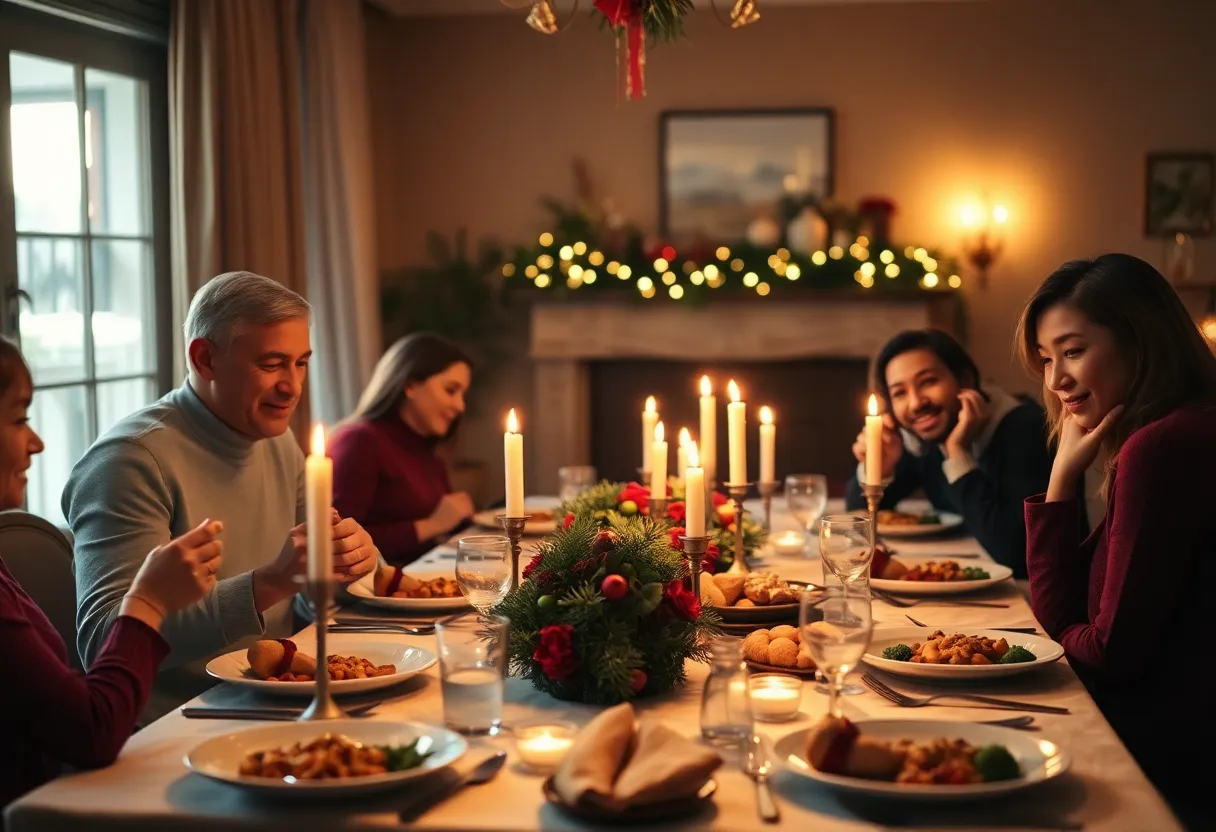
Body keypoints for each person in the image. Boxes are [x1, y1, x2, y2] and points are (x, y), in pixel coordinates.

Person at [63, 271, 380, 721]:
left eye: (301, 363)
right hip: (171, 724)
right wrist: (267, 583)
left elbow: (308, 595)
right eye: (272, 364)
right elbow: (104, 644)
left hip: (273, 699)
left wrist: (347, 565)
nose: (292, 386)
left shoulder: (276, 439)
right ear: (205, 358)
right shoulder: (130, 462)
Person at [1017, 253, 1216, 824]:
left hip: (1167, 764)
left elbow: (1102, 649)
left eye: (1073, 351)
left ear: (1139, 338)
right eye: (1047, 360)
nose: (1055, 382)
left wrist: (1059, 482)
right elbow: (1085, 611)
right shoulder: (1187, 426)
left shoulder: (1162, 448)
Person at [0, 337, 224, 810]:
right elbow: (93, 730)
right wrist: (147, 600)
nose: (37, 442)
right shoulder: (129, 460)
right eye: (20, 419)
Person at [845, 329, 1074, 577]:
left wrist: (957, 454)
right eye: (900, 393)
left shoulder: (1025, 429)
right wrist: (879, 468)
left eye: (928, 382)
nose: (915, 403)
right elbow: (859, 518)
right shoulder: (924, 435)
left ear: (964, 380)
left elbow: (1016, 554)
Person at [330, 333, 475, 566]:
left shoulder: (426, 449)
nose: (460, 406)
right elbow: (338, 544)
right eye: (450, 390)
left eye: (462, 395)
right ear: (410, 385)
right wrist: (433, 525)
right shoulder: (359, 441)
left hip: (424, 578)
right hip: (377, 593)